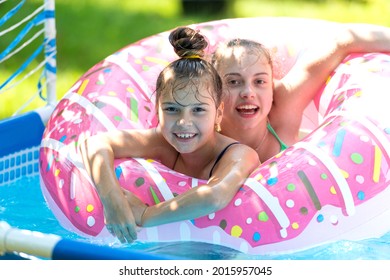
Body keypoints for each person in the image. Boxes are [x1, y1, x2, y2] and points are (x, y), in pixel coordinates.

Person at [79, 27, 260, 243]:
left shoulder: (240, 154)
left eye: (198, 110)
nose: (184, 122)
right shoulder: (162, 141)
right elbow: (93, 144)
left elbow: (215, 196)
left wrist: (146, 215)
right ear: (157, 110)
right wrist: (112, 200)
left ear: (218, 113)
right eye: (172, 109)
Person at [211, 23, 390, 162]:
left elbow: (344, 40)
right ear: (214, 89)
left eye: (259, 81)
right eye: (233, 82)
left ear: (271, 86)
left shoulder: (283, 105)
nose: (248, 92)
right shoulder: (203, 132)